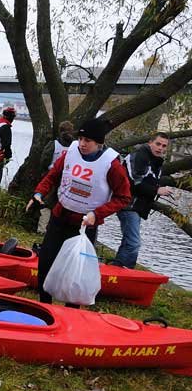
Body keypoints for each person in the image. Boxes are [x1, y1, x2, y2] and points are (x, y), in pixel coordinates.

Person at [25, 118, 131, 305]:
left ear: (99, 143)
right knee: (45, 262)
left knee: (76, 271)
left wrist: (97, 215)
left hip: (84, 225)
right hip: (60, 216)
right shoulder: (71, 151)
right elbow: (53, 174)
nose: (82, 144)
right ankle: (44, 305)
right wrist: (39, 192)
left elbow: (123, 198)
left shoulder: (112, 165)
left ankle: (71, 310)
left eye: (87, 141)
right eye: (81, 138)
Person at [114, 132, 173, 268]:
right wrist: (157, 190)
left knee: (128, 241)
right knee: (134, 243)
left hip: (137, 207)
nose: (161, 148)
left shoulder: (155, 161)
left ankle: (116, 270)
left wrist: (157, 187)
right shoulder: (139, 156)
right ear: (150, 143)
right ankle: (127, 272)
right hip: (127, 205)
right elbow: (136, 182)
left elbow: (149, 181)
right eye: (158, 144)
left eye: (164, 146)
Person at [37, 120, 75, 234]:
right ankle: (58, 231)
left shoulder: (53, 144)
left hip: (52, 176)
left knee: (47, 204)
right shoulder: (75, 147)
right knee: (64, 204)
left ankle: (42, 229)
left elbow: (44, 161)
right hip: (68, 179)